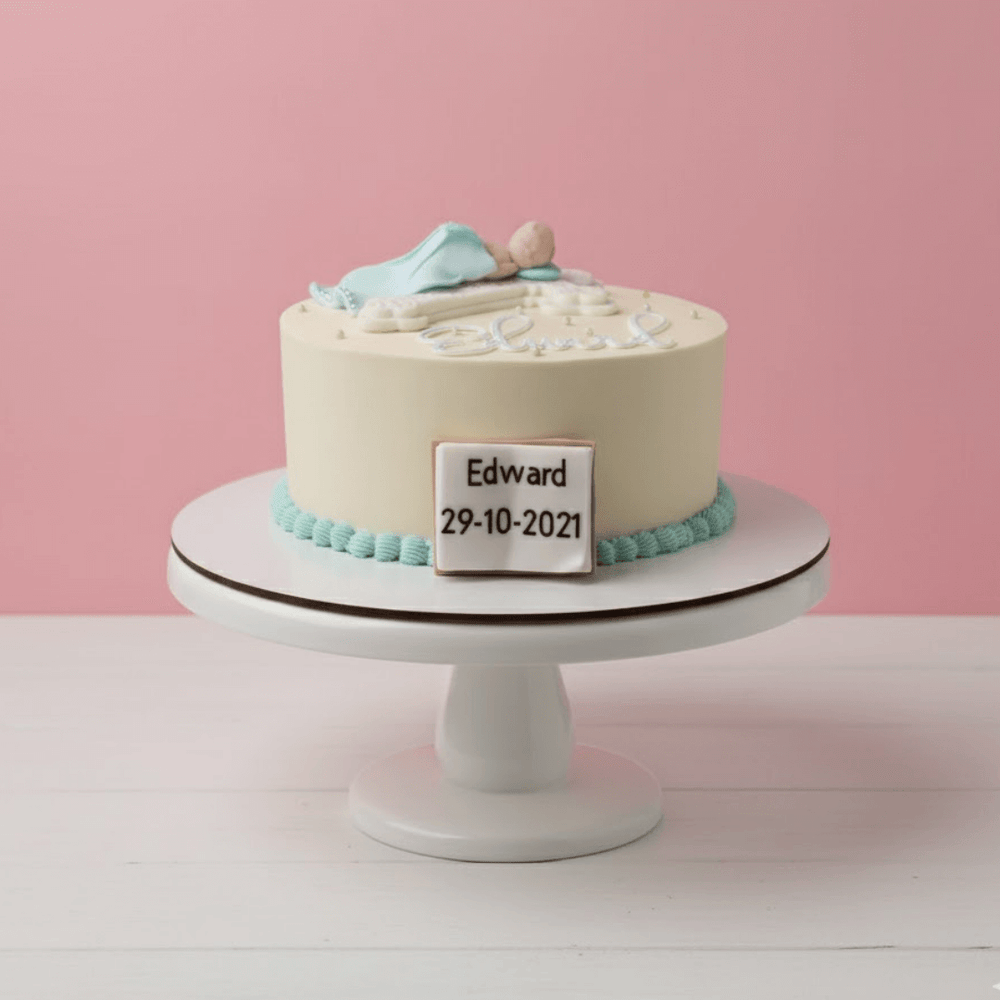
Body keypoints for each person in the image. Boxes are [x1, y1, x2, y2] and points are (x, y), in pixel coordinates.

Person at [310, 220, 557, 313]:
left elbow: (484, 269)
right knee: (410, 266)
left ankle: (363, 288)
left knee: (417, 270)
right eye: (524, 239)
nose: (523, 247)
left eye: (531, 248)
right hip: (457, 250)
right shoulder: (504, 256)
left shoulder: (509, 265)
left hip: (459, 259)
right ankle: (359, 286)